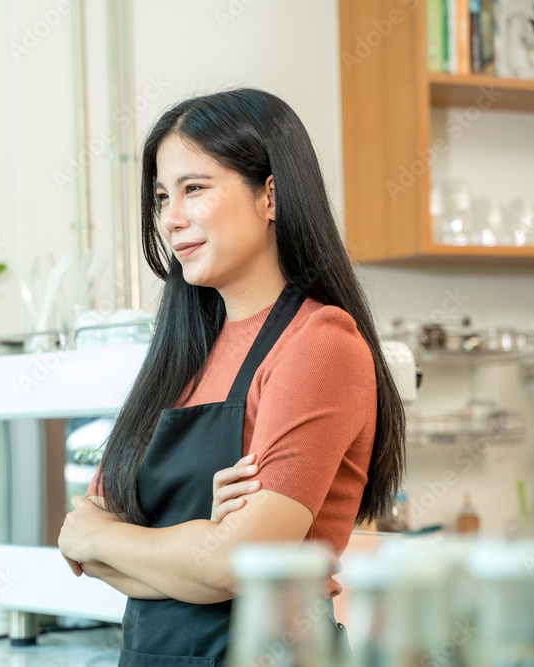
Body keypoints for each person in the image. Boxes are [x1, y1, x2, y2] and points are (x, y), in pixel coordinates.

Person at [57, 87, 407, 666]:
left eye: (195, 189)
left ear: (270, 194)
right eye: (163, 196)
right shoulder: (181, 352)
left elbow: (237, 564)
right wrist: (196, 542)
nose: (171, 218)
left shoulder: (320, 342)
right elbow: (83, 541)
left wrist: (114, 540)